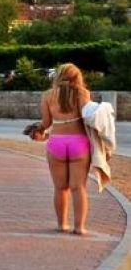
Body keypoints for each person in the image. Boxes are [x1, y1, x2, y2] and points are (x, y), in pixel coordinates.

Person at [31, 63, 92, 234]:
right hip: (79, 143)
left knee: (60, 188)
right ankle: (80, 227)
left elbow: (46, 123)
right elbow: (89, 119)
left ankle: (62, 224)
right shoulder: (83, 94)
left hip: (56, 142)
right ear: (77, 77)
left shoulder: (48, 96)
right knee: (78, 187)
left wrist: (38, 131)